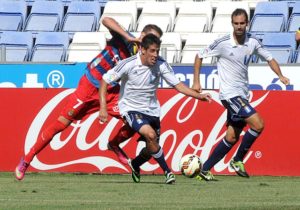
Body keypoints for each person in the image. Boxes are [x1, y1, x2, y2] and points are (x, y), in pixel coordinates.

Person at [15, 17, 163, 181]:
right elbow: (105, 19)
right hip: (88, 87)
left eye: (156, 41)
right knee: (60, 125)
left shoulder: (144, 58)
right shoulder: (124, 38)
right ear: (142, 35)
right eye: (150, 38)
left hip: (112, 92)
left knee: (134, 120)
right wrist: (128, 37)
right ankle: (27, 159)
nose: (152, 43)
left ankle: (114, 144)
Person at [99, 34, 212, 184]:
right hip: (130, 109)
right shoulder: (128, 64)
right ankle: (168, 172)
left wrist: (199, 96)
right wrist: (103, 107)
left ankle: (135, 164)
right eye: (152, 51)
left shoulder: (161, 64)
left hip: (152, 111)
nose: (155, 55)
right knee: (150, 135)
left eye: (157, 51)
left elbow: (178, 85)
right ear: (142, 50)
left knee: (151, 148)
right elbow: (105, 80)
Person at [192, 9, 290, 181]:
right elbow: (199, 56)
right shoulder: (223, 43)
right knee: (258, 124)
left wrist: (280, 75)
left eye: (242, 23)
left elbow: (269, 58)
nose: (239, 27)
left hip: (242, 94)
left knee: (232, 137)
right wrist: (196, 82)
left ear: (247, 23)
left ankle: (205, 169)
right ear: (232, 24)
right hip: (229, 95)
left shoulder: (253, 41)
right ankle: (237, 160)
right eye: (236, 23)